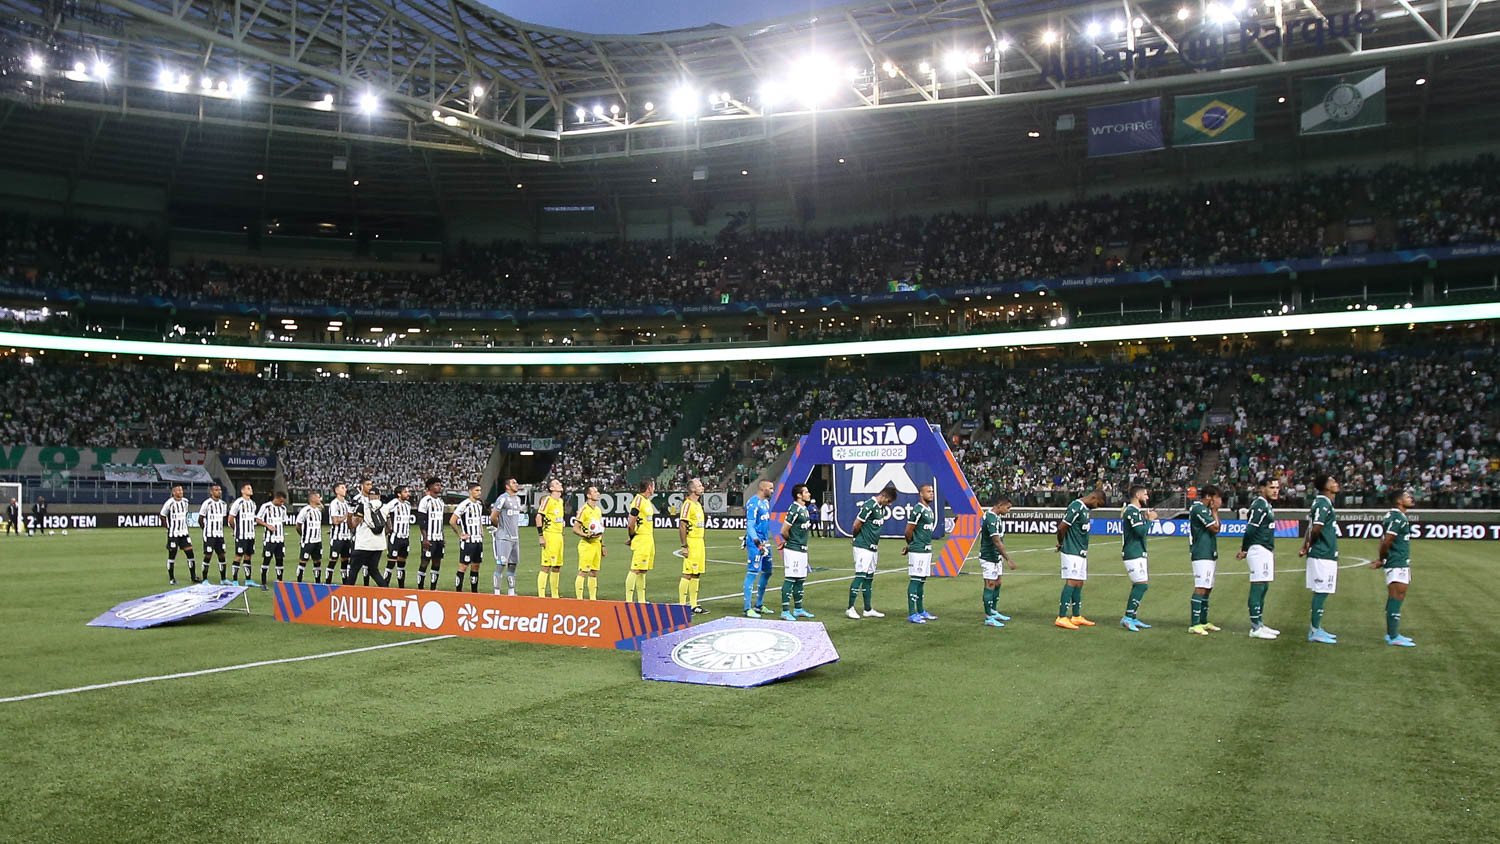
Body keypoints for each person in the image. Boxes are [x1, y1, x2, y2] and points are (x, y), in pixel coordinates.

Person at [1236, 476, 1281, 640]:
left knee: (1264, 586)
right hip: (1258, 549)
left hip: (1266, 549)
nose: (1275, 490)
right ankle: (1255, 627)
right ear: (1262, 489)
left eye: (1277, 487)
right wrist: (1245, 549)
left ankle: (1260, 623)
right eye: (1271, 487)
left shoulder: (1267, 505)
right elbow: (1250, 530)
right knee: (1258, 585)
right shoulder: (1259, 505)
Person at [1299, 474, 1341, 644]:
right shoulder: (1323, 503)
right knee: (1321, 591)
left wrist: (1305, 545)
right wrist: (1309, 545)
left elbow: (1311, 527)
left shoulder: (1323, 503)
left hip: (1325, 554)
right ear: (1325, 486)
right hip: (1322, 554)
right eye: (1332, 481)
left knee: (1324, 590)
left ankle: (1317, 628)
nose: (1336, 483)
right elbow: (1316, 528)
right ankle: (1315, 630)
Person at [1372, 489, 1417, 647]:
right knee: (1397, 596)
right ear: (1399, 501)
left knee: (1395, 596)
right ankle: (1393, 636)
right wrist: (1383, 558)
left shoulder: (1393, 516)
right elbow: (1387, 540)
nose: (1410, 498)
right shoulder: (1397, 517)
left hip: (1397, 561)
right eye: (1406, 496)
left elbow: (1383, 539)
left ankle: (1392, 634)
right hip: (1397, 562)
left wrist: (1382, 559)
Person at [846, 484, 897, 620]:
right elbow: (857, 524)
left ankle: (867, 609)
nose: (890, 504)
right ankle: (850, 608)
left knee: (869, 578)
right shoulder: (869, 505)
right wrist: (855, 538)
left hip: (873, 547)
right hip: (863, 546)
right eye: (889, 501)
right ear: (884, 496)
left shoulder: (880, 508)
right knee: (860, 576)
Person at [1055, 488, 1103, 630]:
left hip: (1080, 552)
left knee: (1079, 582)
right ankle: (1061, 617)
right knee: (1072, 581)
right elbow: (1062, 527)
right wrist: (1062, 543)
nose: (1097, 507)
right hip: (1071, 551)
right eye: (1098, 504)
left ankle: (1076, 616)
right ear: (1093, 497)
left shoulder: (1084, 510)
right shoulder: (1075, 507)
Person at [1120, 484, 1158, 632]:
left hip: (1138, 552)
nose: (1147, 497)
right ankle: (1128, 617)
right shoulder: (1131, 511)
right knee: (1141, 584)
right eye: (1145, 494)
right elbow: (1140, 531)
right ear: (1138, 495)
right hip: (1132, 552)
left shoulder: (1136, 512)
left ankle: (1132, 617)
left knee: (1140, 584)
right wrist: (1150, 520)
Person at [1187, 485, 1223, 636]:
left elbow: (1217, 528)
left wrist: (1214, 512)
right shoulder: (1198, 509)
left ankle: (1203, 621)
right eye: (1217, 497)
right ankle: (1194, 624)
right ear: (1209, 497)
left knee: (1208, 587)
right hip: (1201, 553)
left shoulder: (1206, 510)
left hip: (1209, 552)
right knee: (1201, 587)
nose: (1219, 501)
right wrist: (1215, 511)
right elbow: (1214, 528)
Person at [777, 483, 816, 621]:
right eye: (806, 492)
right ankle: (785, 610)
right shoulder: (794, 509)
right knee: (790, 578)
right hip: (793, 550)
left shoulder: (804, 509)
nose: (809, 494)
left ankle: (798, 608)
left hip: (802, 549)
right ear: (799, 495)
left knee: (800, 579)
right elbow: (784, 530)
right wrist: (791, 541)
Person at [903, 483, 939, 624]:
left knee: (922, 581)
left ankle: (921, 610)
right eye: (928, 491)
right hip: (918, 550)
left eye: (932, 491)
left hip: (926, 549)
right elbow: (908, 530)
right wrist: (911, 545)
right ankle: (912, 613)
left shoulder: (928, 509)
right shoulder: (918, 509)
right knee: (915, 580)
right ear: (921, 494)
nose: (931, 493)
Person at [978, 495, 1016, 628]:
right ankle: (988, 617)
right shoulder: (990, 518)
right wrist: (1008, 559)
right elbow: (996, 541)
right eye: (1008, 508)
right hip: (988, 557)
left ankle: (993, 611)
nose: (1008, 510)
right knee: (990, 584)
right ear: (999, 505)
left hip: (995, 557)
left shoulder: (997, 517)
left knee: (998, 582)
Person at [344, 484, 390, 587]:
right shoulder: (385, 507)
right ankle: (386, 590)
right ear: (379, 495)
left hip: (364, 544)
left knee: (353, 570)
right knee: (373, 570)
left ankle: (346, 592)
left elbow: (352, 525)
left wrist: (350, 512)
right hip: (379, 544)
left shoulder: (363, 506)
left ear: (369, 496)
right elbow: (389, 528)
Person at [743, 479, 774, 617]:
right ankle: (747, 608)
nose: (772, 491)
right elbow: (750, 525)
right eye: (771, 488)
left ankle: (759, 605)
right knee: (752, 573)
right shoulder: (753, 503)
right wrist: (756, 542)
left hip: (765, 542)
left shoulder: (766, 503)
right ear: (763, 488)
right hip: (756, 543)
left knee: (767, 571)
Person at [489, 478, 525, 596]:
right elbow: (493, 516)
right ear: (507, 486)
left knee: (513, 565)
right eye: (514, 483)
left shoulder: (518, 499)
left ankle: (511, 591)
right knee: (501, 564)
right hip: (504, 537)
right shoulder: (502, 498)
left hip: (515, 538)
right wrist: (499, 528)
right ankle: (497, 592)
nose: (516, 484)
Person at [678, 478, 708, 614]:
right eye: (699, 486)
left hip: (700, 542)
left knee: (696, 574)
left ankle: (694, 605)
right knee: (688, 573)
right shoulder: (688, 504)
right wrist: (684, 545)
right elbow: (682, 524)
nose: (702, 487)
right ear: (692, 489)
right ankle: (682, 606)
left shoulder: (698, 504)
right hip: (692, 541)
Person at [450, 482, 486, 593]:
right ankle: (458, 592)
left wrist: (481, 530)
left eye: (480, 490)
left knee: (476, 566)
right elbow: (452, 521)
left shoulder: (479, 505)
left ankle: (474, 592)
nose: (479, 493)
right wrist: (460, 534)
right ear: (470, 491)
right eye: (476, 490)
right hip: (468, 542)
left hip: (478, 541)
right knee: (463, 567)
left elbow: (479, 519)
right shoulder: (464, 504)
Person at [625, 478, 657, 603]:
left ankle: (641, 600)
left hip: (648, 538)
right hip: (642, 538)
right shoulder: (638, 500)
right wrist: (632, 537)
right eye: (653, 486)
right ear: (649, 487)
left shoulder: (646, 501)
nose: (654, 488)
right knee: (635, 568)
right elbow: (631, 521)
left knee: (643, 570)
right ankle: (628, 601)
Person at [572, 485, 606, 599]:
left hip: (597, 543)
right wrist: (585, 535)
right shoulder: (584, 510)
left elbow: (600, 529)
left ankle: (593, 599)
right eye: (595, 492)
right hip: (586, 544)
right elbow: (575, 528)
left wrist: (602, 545)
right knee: (583, 571)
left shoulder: (597, 510)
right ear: (588, 495)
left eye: (597, 491)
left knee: (594, 572)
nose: (598, 493)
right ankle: (579, 599)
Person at [159, 483, 195, 584]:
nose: (181, 492)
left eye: (181, 490)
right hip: (173, 534)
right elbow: (162, 515)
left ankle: (193, 577)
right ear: (174, 492)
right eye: (178, 490)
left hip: (184, 533)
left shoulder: (185, 502)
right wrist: (168, 527)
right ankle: (171, 578)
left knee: (190, 554)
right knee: (172, 555)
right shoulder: (169, 503)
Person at [537, 478, 565, 598]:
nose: (560, 484)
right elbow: (539, 517)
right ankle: (542, 595)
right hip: (549, 535)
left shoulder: (560, 501)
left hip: (558, 536)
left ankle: (555, 595)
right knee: (546, 565)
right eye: (557, 484)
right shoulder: (548, 500)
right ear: (552, 488)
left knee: (557, 566)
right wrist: (541, 536)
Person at [416, 478, 446, 590]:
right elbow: (421, 519)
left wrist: (443, 537)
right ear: (430, 487)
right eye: (437, 485)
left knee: (437, 562)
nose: (439, 487)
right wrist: (425, 538)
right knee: (425, 562)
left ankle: (433, 588)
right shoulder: (425, 501)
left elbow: (441, 522)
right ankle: (421, 588)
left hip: (439, 538)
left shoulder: (440, 502)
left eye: (440, 485)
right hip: (429, 537)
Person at [227, 483, 259, 587]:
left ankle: (248, 580)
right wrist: (235, 530)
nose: (251, 490)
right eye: (248, 488)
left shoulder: (253, 504)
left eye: (251, 488)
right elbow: (231, 518)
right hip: (241, 535)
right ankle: (235, 580)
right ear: (243, 491)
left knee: (248, 556)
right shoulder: (238, 502)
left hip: (251, 535)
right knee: (238, 556)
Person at [381, 484, 413, 589]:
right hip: (395, 537)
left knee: (402, 563)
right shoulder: (394, 503)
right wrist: (388, 526)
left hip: (405, 537)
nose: (408, 494)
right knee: (391, 562)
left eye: (408, 491)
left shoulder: (408, 504)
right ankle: (385, 586)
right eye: (405, 492)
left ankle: (401, 588)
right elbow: (383, 511)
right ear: (399, 494)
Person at [256, 490, 289, 585]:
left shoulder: (283, 509)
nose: (282, 503)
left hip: (280, 539)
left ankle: (280, 582)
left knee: (280, 560)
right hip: (269, 539)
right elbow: (258, 519)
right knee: (267, 560)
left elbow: (283, 521)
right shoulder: (266, 506)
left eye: (283, 502)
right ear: (276, 498)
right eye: (281, 501)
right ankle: (263, 582)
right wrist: (267, 525)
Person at [198, 484, 228, 583]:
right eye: (216, 490)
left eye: (219, 490)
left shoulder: (223, 504)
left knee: (222, 555)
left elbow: (223, 518)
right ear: (211, 492)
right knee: (208, 555)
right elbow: (200, 519)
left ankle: (223, 579)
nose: (219, 491)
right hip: (209, 534)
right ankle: (205, 579)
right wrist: (206, 530)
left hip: (219, 534)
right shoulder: (207, 503)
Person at [295, 491, 324, 583]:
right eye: (318, 497)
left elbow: (322, 508)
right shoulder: (305, 510)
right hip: (308, 541)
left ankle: (317, 583)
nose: (320, 499)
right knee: (303, 562)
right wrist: (303, 535)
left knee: (317, 562)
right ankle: (299, 582)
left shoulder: (318, 511)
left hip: (318, 541)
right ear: (313, 498)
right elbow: (298, 525)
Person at [328, 482, 354, 584]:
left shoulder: (347, 503)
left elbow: (350, 522)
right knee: (333, 561)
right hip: (337, 537)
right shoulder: (334, 503)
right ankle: (328, 583)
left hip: (347, 537)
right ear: (336, 491)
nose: (345, 489)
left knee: (345, 562)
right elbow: (335, 521)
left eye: (345, 487)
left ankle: (345, 585)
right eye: (342, 488)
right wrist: (347, 515)